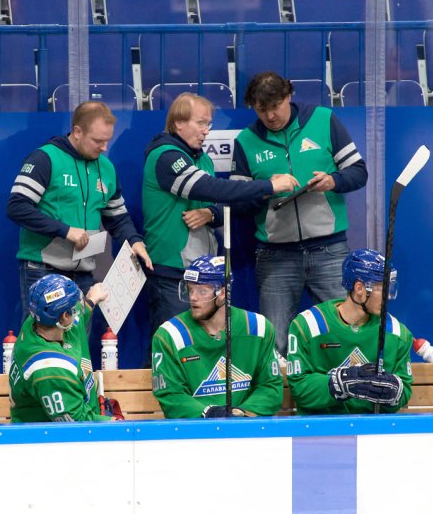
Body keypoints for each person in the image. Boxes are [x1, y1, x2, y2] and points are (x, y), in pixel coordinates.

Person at [231, 71, 368, 355]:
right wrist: (266, 189)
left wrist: (333, 181)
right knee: (275, 343)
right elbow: (239, 205)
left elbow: (358, 172)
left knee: (347, 332)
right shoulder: (245, 141)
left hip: (330, 250)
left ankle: (350, 394)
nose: (270, 116)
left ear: (288, 96)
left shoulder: (323, 120)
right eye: (261, 110)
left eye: (275, 107)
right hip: (275, 257)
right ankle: (279, 400)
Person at [142, 92, 299, 334]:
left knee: (199, 348)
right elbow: (210, 188)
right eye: (201, 122)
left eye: (209, 124)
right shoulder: (166, 156)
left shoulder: (202, 159)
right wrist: (269, 186)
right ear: (179, 123)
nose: (206, 130)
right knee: (169, 347)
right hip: (172, 272)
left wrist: (213, 213)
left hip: (202, 272)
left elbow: (218, 202)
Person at [7, 101, 153, 317]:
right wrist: (65, 230)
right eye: (98, 141)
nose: (104, 148)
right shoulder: (45, 158)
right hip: (43, 269)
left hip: (83, 273)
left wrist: (134, 240)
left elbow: (118, 218)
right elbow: (17, 207)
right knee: (44, 342)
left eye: (107, 141)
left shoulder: (106, 167)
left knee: (78, 342)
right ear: (77, 131)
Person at [151, 255, 283, 418]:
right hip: (194, 434)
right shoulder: (169, 335)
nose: (193, 297)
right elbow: (171, 395)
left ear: (222, 293)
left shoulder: (258, 328)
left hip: (247, 430)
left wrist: (242, 413)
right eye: (190, 289)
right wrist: (209, 413)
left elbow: (270, 386)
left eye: (201, 291)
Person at [286, 249, 413, 414]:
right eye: (382, 289)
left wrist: (395, 394)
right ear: (359, 288)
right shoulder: (308, 326)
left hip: (373, 432)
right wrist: (336, 384)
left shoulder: (398, 333)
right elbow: (299, 387)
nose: (388, 296)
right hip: (321, 430)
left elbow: (405, 390)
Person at [8, 273, 119, 422]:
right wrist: (115, 424)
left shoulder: (38, 320)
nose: (78, 308)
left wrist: (92, 299)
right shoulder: (50, 370)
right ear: (65, 316)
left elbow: (78, 316)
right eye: (73, 307)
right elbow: (77, 424)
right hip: (47, 441)